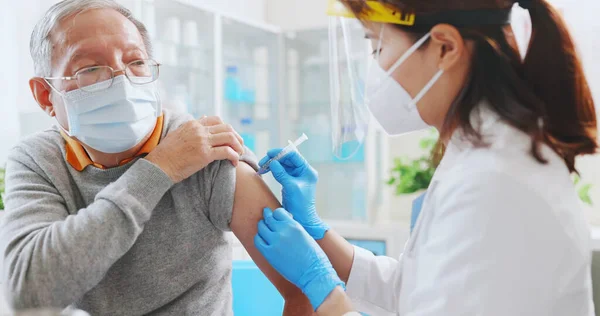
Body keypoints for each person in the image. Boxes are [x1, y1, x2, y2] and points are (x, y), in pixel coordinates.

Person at [254, 0, 598, 315]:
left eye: (379, 46)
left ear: (445, 48)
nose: (375, 69)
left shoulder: (495, 183)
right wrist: (318, 235)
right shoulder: (477, 157)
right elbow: (412, 290)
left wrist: (326, 293)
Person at [0, 0, 313, 315]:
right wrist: (160, 168)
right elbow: (27, 292)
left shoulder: (208, 154)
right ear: (45, 96)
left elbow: (309, 291)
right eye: (90, 68)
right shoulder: (39, 160)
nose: (121, 83)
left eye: (136, 62)